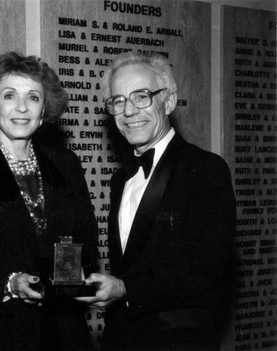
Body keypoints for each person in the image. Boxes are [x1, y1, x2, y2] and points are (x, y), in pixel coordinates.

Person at [77, 52, 236, 350]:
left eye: (142, 96)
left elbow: (207, 269)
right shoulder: (120, 180)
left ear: (169, 101)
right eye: (118, 101)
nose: (129, 111)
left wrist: (125, 289)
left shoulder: (205, 169)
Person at [0, 51, 99, 351]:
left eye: (33, 97)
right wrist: (8, 282)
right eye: (10, 95)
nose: (22, 108)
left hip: (65, 332)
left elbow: (87, 237)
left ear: (44, 111)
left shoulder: (65, 164)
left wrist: (76, 271)